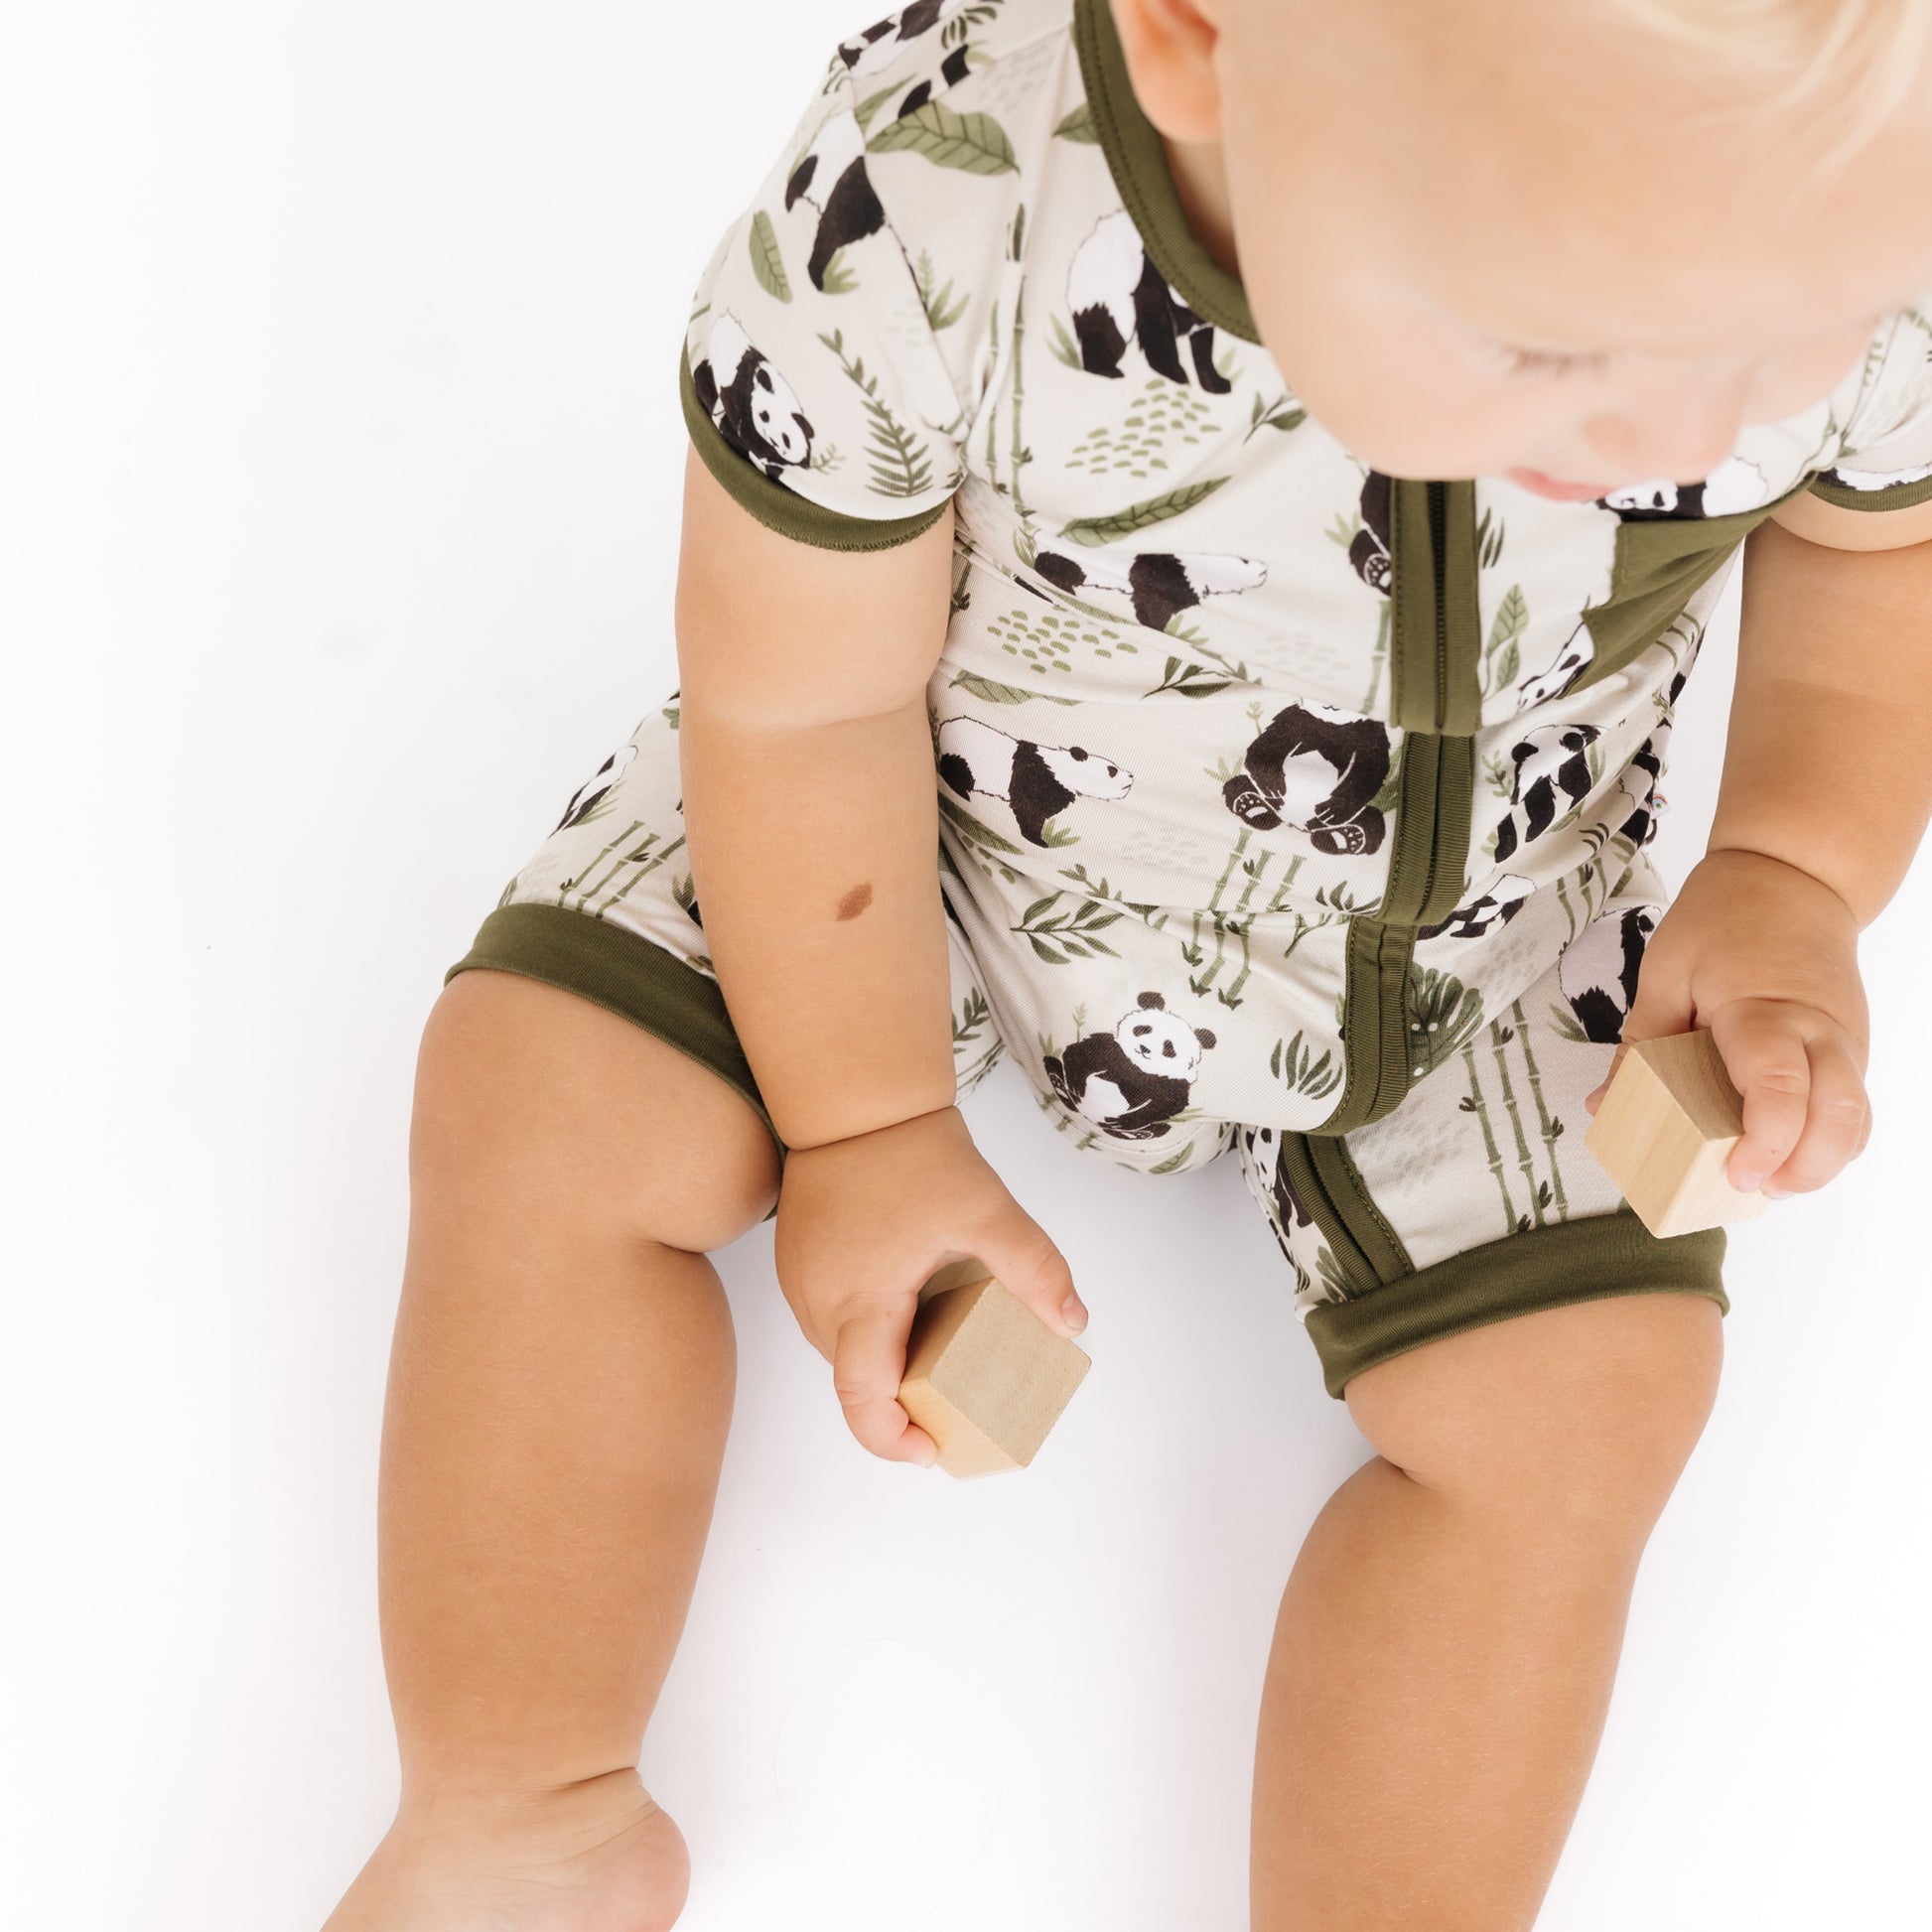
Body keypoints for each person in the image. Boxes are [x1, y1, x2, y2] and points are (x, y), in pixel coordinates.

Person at [322, 1, 1932, 1925]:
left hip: (1481, 930)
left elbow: (1869, 554)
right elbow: (801, 691)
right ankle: (516, 1805)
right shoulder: (940, 195)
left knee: (1588, 1405)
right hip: (920, 821)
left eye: (1779, 345)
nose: (1687, 437)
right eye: (1547, 341)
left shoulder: (1826, 165)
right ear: (1199, 42)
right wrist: (864, 1115)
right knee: (542, 1097)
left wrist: (1785, 863)